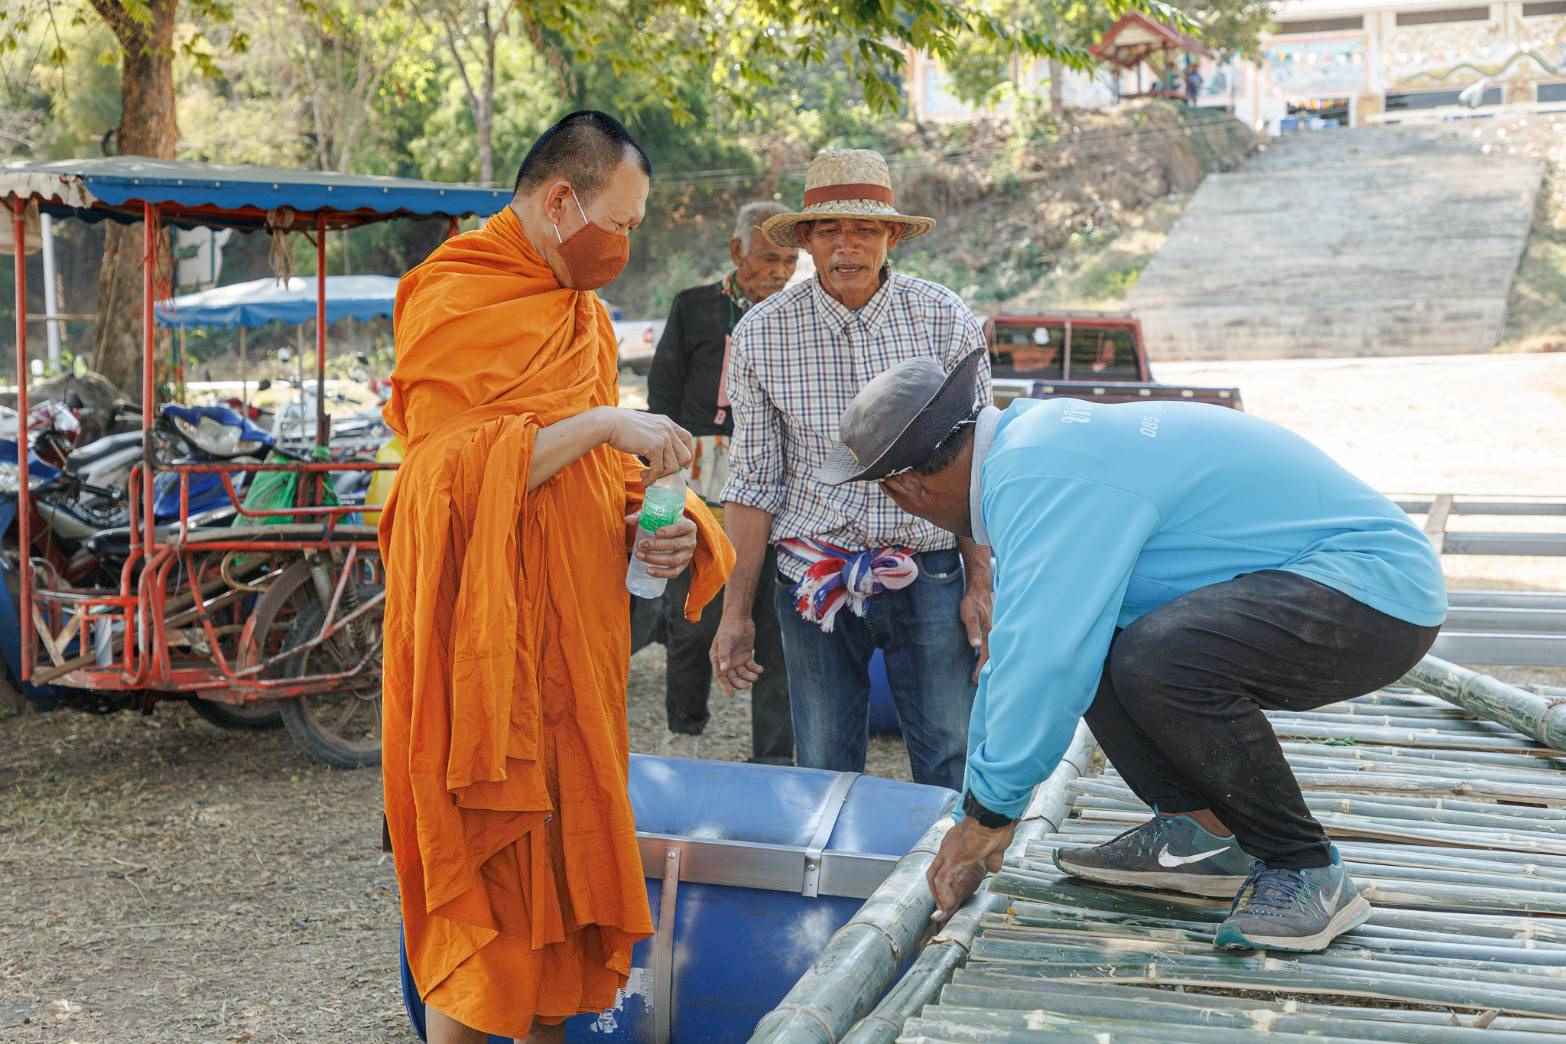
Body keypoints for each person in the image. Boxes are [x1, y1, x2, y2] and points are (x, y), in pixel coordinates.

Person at [819, 356, 1445, 954]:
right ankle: (1201, 835)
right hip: (1323, 586)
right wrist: (974, 805)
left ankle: (1304, 865)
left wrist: (988, 818)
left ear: (905, 487)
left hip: (1373, 592)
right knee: (1110, 640)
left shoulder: (1042, 473)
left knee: (1159, 655)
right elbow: (1019, 651)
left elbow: (1045, 663)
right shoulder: (1032, 450)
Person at [379, 110, 735, 1044]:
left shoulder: (585, 318)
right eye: (618, 225)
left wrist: (664, 530)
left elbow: (583, 474)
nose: (623, 245)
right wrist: (608, 425)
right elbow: (446, 477)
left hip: (572, 650)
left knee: (565, 885)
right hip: (478, 646)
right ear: (560, 199)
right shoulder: (452, 293)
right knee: (487, 892)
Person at [712, 148, 994, 791]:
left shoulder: (943, 317)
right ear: (806, 240)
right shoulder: (762, 332)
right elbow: (753, 480)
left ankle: (941, 888)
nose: (848, 245)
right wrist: (736, 614)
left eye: (865, 229)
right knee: (823, 760)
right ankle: (834, 887)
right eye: (830, 229)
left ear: (892, 236)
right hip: (812, 572)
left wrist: (981, 581)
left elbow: (980, 463)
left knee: (949, 749)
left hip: (929, 567)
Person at [645, 201, 799, 763]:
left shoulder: (800, 317)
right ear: (737, 252)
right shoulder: (695, 308)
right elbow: (663, 395)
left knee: (773, 617)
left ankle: (775, 757)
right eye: (767, 258)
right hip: (697, 482)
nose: (779, 272)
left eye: (789, 260)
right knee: (691, 611)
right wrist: (662, 478)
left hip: (777, 483)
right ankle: (684, 730)